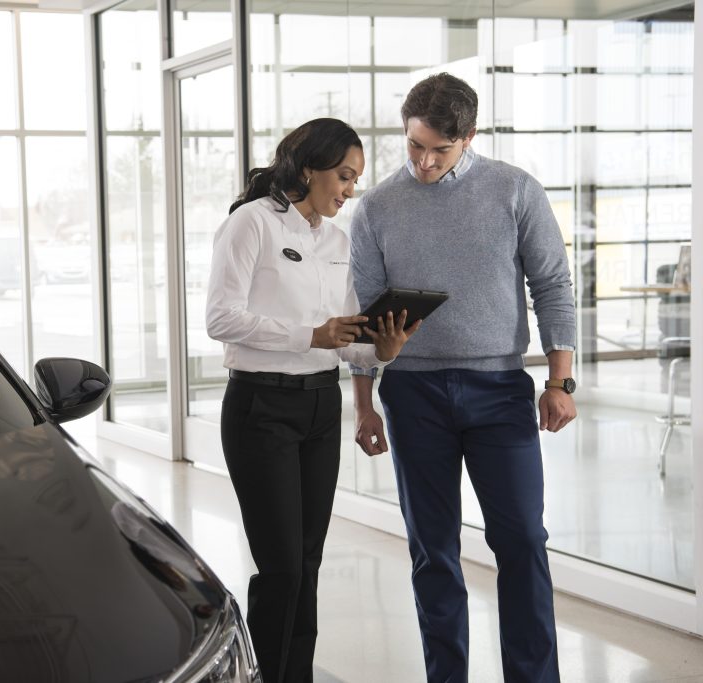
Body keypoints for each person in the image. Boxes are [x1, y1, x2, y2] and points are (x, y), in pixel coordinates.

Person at [349, 73, 577, 682]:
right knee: (433, 550)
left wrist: (560, 381)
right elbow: (366, 315)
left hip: (499, 389)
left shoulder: (515, 190)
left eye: (439, 149)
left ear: (469, 136)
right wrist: (364, 404)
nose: (423, 161)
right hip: (412, 393)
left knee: (522, 539)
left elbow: (553, 285)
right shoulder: (376, 208)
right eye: (414, 145)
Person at [205, 117, 421, 683]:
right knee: (281, 567)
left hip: (322, 407)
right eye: (344, 176)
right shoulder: (250, 223)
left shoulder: (336, 242)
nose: (350, 191)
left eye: (355, 180)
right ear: (308, 169)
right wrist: (310, 335)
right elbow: (220, 318)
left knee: (308, 561)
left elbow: (345, 340)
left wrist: (383, 350)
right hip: (261, 408)